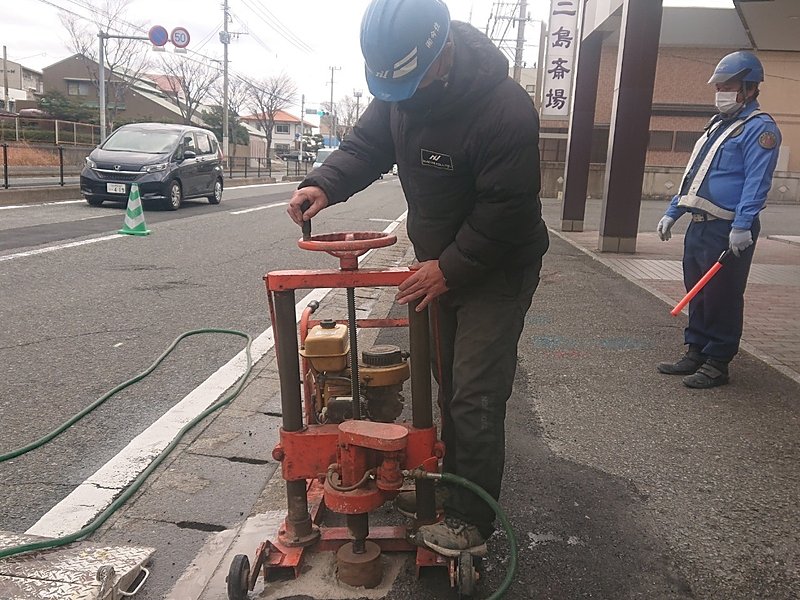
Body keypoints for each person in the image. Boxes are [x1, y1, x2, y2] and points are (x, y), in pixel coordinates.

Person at [287, 0, 548, 556]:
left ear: (443, 49)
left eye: (408, 78)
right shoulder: (398, 93)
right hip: (438, 263)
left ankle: (470, 521)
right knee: (444, 379)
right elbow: (366, 146)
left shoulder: (505, 109)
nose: (399, 93)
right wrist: (324, 184)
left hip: (496, 265)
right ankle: (448, 483)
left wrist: (449, 268)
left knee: (474, 393)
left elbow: (507, 210)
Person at [656, 51, 781, 389]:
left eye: (729, 85)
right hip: (700, 226)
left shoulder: (760, 129)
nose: (721, 91)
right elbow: (693, 176)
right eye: (720, 85)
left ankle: (718, 361)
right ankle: (696, 350)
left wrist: (742, 226)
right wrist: (674, 210)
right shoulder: (719, 126)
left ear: (750, 88)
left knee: (722, 294)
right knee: (697, 291)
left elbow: (756, 181)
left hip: (727, 228)